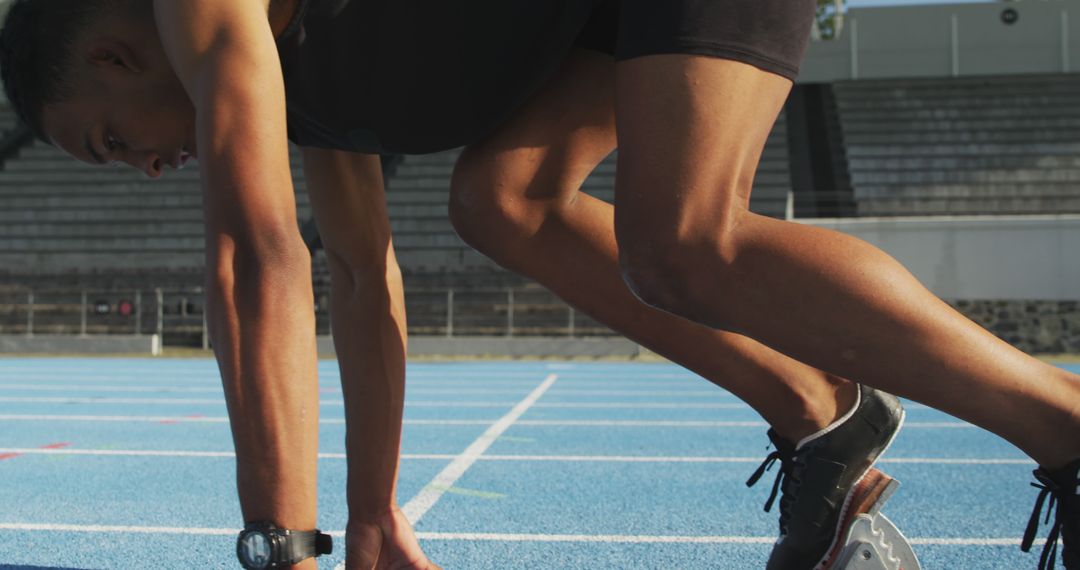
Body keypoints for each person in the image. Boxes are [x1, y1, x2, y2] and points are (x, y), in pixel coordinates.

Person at [0, 1, 1075, 569]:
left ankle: (1064, 425)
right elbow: (363, 279)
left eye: (106, 143)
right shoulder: (296, 91)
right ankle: (817, 413)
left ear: (117, 56)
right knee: (501, 201)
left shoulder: (208, 14)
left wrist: (277, 550)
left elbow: (251, 256)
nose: (143, 169)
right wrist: (369, 517)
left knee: (684, 236)